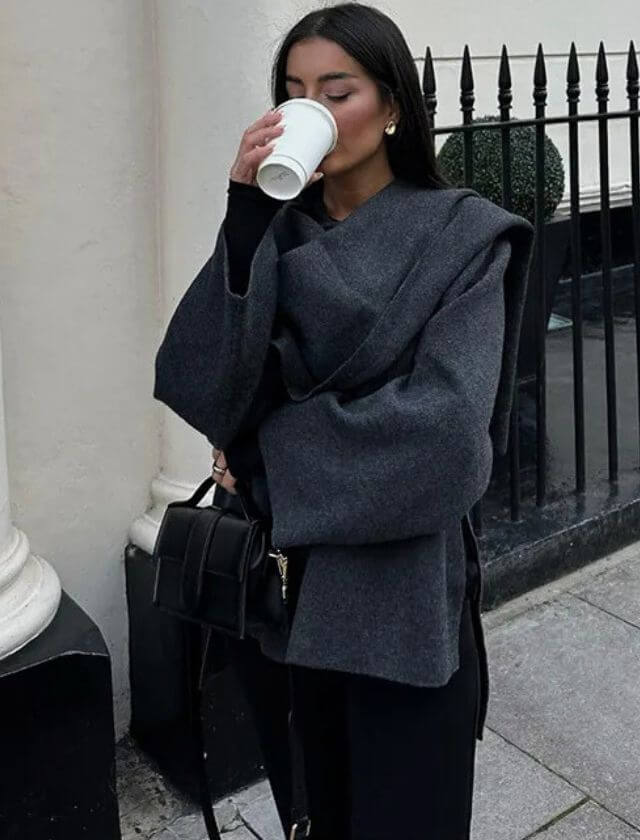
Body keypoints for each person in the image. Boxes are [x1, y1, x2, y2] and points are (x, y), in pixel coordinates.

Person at [154, 4, 535, 838]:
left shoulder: (466, 238)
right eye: (293, 91)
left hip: (402, 605)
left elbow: (445, 441)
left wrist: (263, 454)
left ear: (392, 104)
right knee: (312, 815)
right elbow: (196, 381)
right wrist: (242, 219)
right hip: (280, 596)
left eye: (338, 91)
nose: (311, 110)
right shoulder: (272, 231)